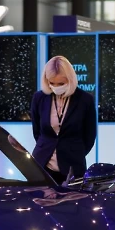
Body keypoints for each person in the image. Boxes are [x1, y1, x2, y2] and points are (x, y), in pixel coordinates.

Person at [30, 55, 97, 184]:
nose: (56, 87)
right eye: (51, 83)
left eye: (61, 83)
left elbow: (89, 136)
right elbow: (37, 132)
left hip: (73, 166)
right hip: (43, 164)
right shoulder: (39, 98)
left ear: (70, 79)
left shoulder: (85, 100)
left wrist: (75, 151)